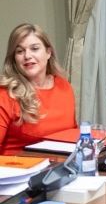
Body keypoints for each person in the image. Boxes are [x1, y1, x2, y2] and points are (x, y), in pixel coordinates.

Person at [0, 23, 77, 154]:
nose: (27, 56)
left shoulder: (64, 86)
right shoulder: (5, 94)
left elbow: (73, 135)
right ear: (14, 59)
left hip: (61, 164)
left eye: (34, 48)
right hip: (18, 165)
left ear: (48, 52)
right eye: (20, 51)